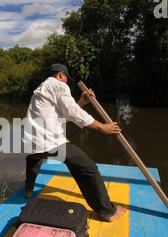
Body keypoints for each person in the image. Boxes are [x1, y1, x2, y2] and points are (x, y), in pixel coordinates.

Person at [22, 63, 126, 222]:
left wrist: (81, 102)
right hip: (49, 141)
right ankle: (108, 211)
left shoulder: (41, 89)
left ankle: (28, 191)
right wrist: (101, 127)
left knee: (33, 158)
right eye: (66, 80)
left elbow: (62, 115)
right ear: (61, 75)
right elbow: (72, 112)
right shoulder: (58, 85)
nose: (67, 84)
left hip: (30, 142)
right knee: (88, 168)